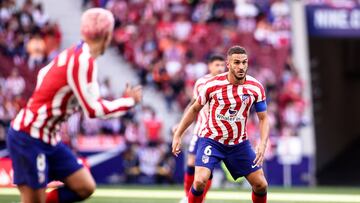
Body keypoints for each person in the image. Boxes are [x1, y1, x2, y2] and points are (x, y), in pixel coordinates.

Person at [6, 8, 142, 203]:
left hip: (48, 137)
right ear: (108, 35)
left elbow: (43, 75)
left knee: (84, 187)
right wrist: (129, 101)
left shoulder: (75, 53)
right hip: (29, 136)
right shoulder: (83, 60)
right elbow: (93, 110)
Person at [172, 45, 269, 203]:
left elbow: (263, 118)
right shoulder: (212, 85)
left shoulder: (255, 87)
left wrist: (263, 142)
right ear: (228, 64)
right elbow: (194, 108)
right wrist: (178, 134)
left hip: (239, 144)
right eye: (236, 62)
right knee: (199, 181)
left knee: (261, 185)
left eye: (244, 62)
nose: (241, 66)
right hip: (212, 140)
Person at [176, 54, 225, 203]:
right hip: (200, 130)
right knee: (191, 163)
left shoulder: (228, 83)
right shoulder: (201, 82)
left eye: (222, 65)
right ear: (209, 66)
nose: (220, 68)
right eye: (217, 65)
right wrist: (181, 125)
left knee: (206, 169)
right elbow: (192, 105)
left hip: (217, 134)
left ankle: (201, 198)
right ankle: (187, 196)